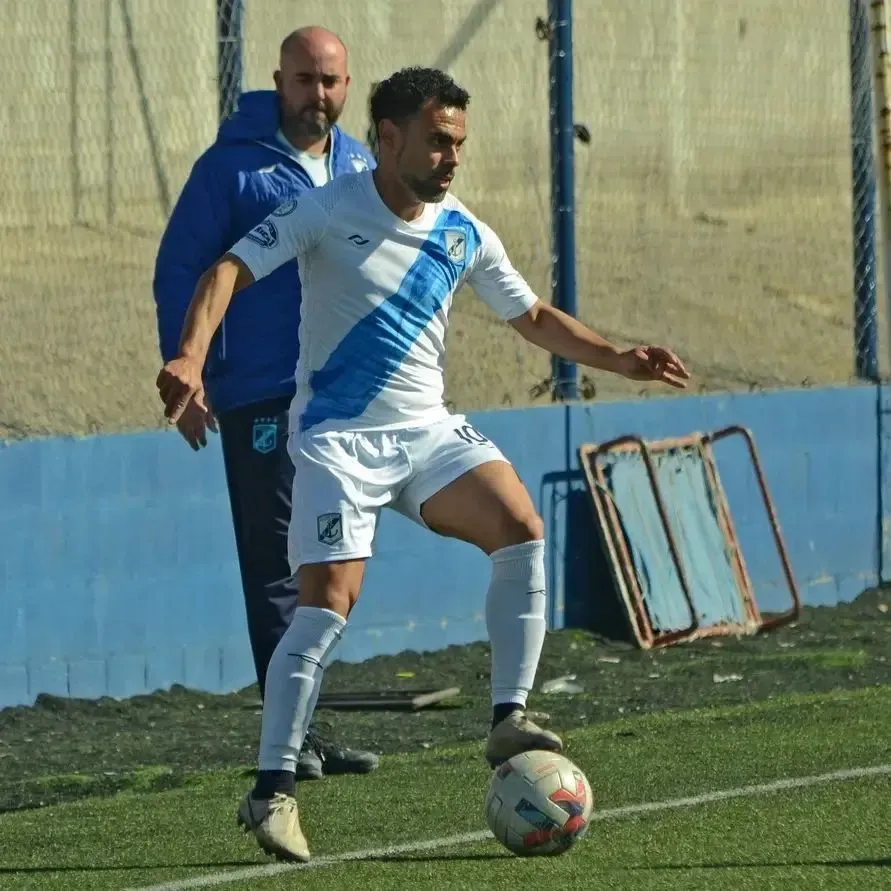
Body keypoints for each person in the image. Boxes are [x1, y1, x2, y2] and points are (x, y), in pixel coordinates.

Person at [156, 66, 690, 862]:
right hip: (338, 441)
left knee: (519, 525)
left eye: (459, 144)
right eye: (438, 140)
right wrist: (191, 357)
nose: (451, 157)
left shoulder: (462, 230)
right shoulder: (326, 210)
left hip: (426, 433)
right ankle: (271, 791)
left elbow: (533, 315)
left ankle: (507, 715)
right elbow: (225, 269)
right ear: (388, 137)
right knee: (327, 607)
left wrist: (620, 358)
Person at [151, 26, 379, 782]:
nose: (320, 96)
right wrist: (189, 374)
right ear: (278, 82)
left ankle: (308, 723)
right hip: (259, 391)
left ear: (349, 87)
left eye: (332, 82)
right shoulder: (229, 169)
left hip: (342, 398)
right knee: (276, 565)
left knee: (330, 561)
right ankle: (292, 740)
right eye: (306, 81)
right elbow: (182, 268)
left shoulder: (359, 164)